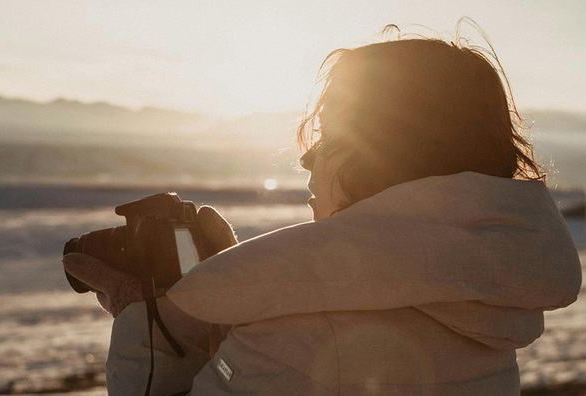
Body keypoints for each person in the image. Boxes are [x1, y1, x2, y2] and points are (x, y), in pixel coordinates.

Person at [63, 22, 582, 395]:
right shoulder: (476, 298)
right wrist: (236, 319)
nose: (307, 156)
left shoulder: (307, 339)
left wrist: (147, 326)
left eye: (330, 135)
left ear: (395, 151)